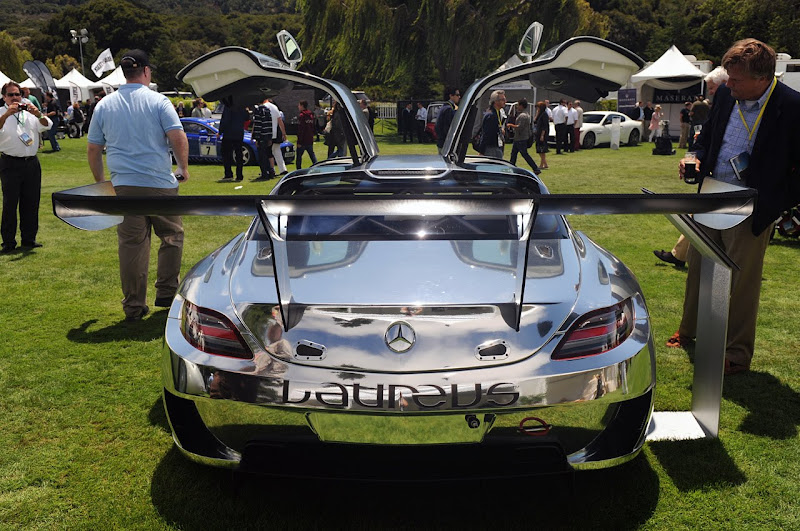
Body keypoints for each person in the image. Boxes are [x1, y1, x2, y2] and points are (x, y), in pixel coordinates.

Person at [668, 38, 800, 376]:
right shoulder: (727, 94)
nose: (728, 84)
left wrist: (772, 203)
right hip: (711, 193)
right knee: (699, 268)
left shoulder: (793, 106)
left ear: (762, 78)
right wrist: (693, 157)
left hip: (752, 205)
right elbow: (707, 138)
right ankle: (688, 332)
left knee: (742, 281)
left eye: (736, 80)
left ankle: (737, 354)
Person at [87, 49, 190, 321]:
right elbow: (177, 137)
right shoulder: (159, 101)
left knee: (132, 246)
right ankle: (167, 290)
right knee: (171, 236)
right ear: (145, 71)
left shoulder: (104, 105)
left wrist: (102, 183)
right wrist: (183, 168)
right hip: (159, 183)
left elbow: (94, 150)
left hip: (123, 186)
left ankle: (134, 304)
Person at [0, 82, 52, 252]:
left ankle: (29, 239)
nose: (15, 97)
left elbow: (46, 125)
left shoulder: (29, 113)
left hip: (31, 163)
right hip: (10, 162)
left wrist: (38, 114)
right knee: (10, 203)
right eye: (11, 95)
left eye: (18, 94)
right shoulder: (2, 112)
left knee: (31, 202)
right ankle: (8, 241)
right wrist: (7, 114)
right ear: (4, 97)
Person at [506, 99, 540, 174]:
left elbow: (520, 127)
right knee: (513, 154)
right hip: (518, 138)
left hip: (521, 138)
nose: (517, 107)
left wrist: (510, 125)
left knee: (524, 154)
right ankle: (511, 167)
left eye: (518, 105)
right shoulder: (523, 115)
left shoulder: (523, 116)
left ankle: (535, 168)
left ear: (521, 106)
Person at [218, 98, 248, 181]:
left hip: (229, 134)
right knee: (239, 155)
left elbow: (225, 120)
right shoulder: (242, 107)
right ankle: (239, 175)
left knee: (226, 154)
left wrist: (220, 131)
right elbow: (246, 117)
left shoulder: (228, 107)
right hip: (239, 133)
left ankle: (228, 174)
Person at [251, 99, 275, 180]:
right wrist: (270, 137)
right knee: (267, 154)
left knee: (262, 156)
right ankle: (270, 172)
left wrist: (256, 138)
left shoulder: (258, 110)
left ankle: (265, 174)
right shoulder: (267, 110)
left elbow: (258, 125)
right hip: (267, 135)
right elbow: (270, 124)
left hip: (261, 136)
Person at [478, 90, 506, 158]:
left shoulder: (497, 112)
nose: (505, 101)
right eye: (503, 99)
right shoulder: (491, 115)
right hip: (490, 149)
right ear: (496, 101)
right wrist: (481, 151)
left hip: (497, 146)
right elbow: (486, 135)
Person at [265, 99, 288, 175]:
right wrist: (284, 133)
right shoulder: (275, 108)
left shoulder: (265, 108)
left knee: (269, 153)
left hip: (269, 133)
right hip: (277, 134)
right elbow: (280, 121)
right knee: (277, 151)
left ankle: (271, 170)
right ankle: (282, 169)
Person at [295, 99, 317, 169]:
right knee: (312, 155)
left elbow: (301, 129)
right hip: (309, 138)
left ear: (302, 106)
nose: (298, 107)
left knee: (299, 157)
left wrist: (299, 141)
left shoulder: (302, 116)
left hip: (303, 140)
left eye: (299, 105)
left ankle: (298, 171)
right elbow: (313, 127)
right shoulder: (311, 115)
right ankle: (317, 166)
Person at [534, 101, 549, 169]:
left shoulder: (545, 115)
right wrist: (537, 114)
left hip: (542, 134)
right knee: (539, 149)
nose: (537, 109)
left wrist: (542, 135)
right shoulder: (540, 114)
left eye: (538, 107)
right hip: (538, 133)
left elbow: (545, 126)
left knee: (542, 149)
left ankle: (542, 164)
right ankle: (545, 163)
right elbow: (534, 121)